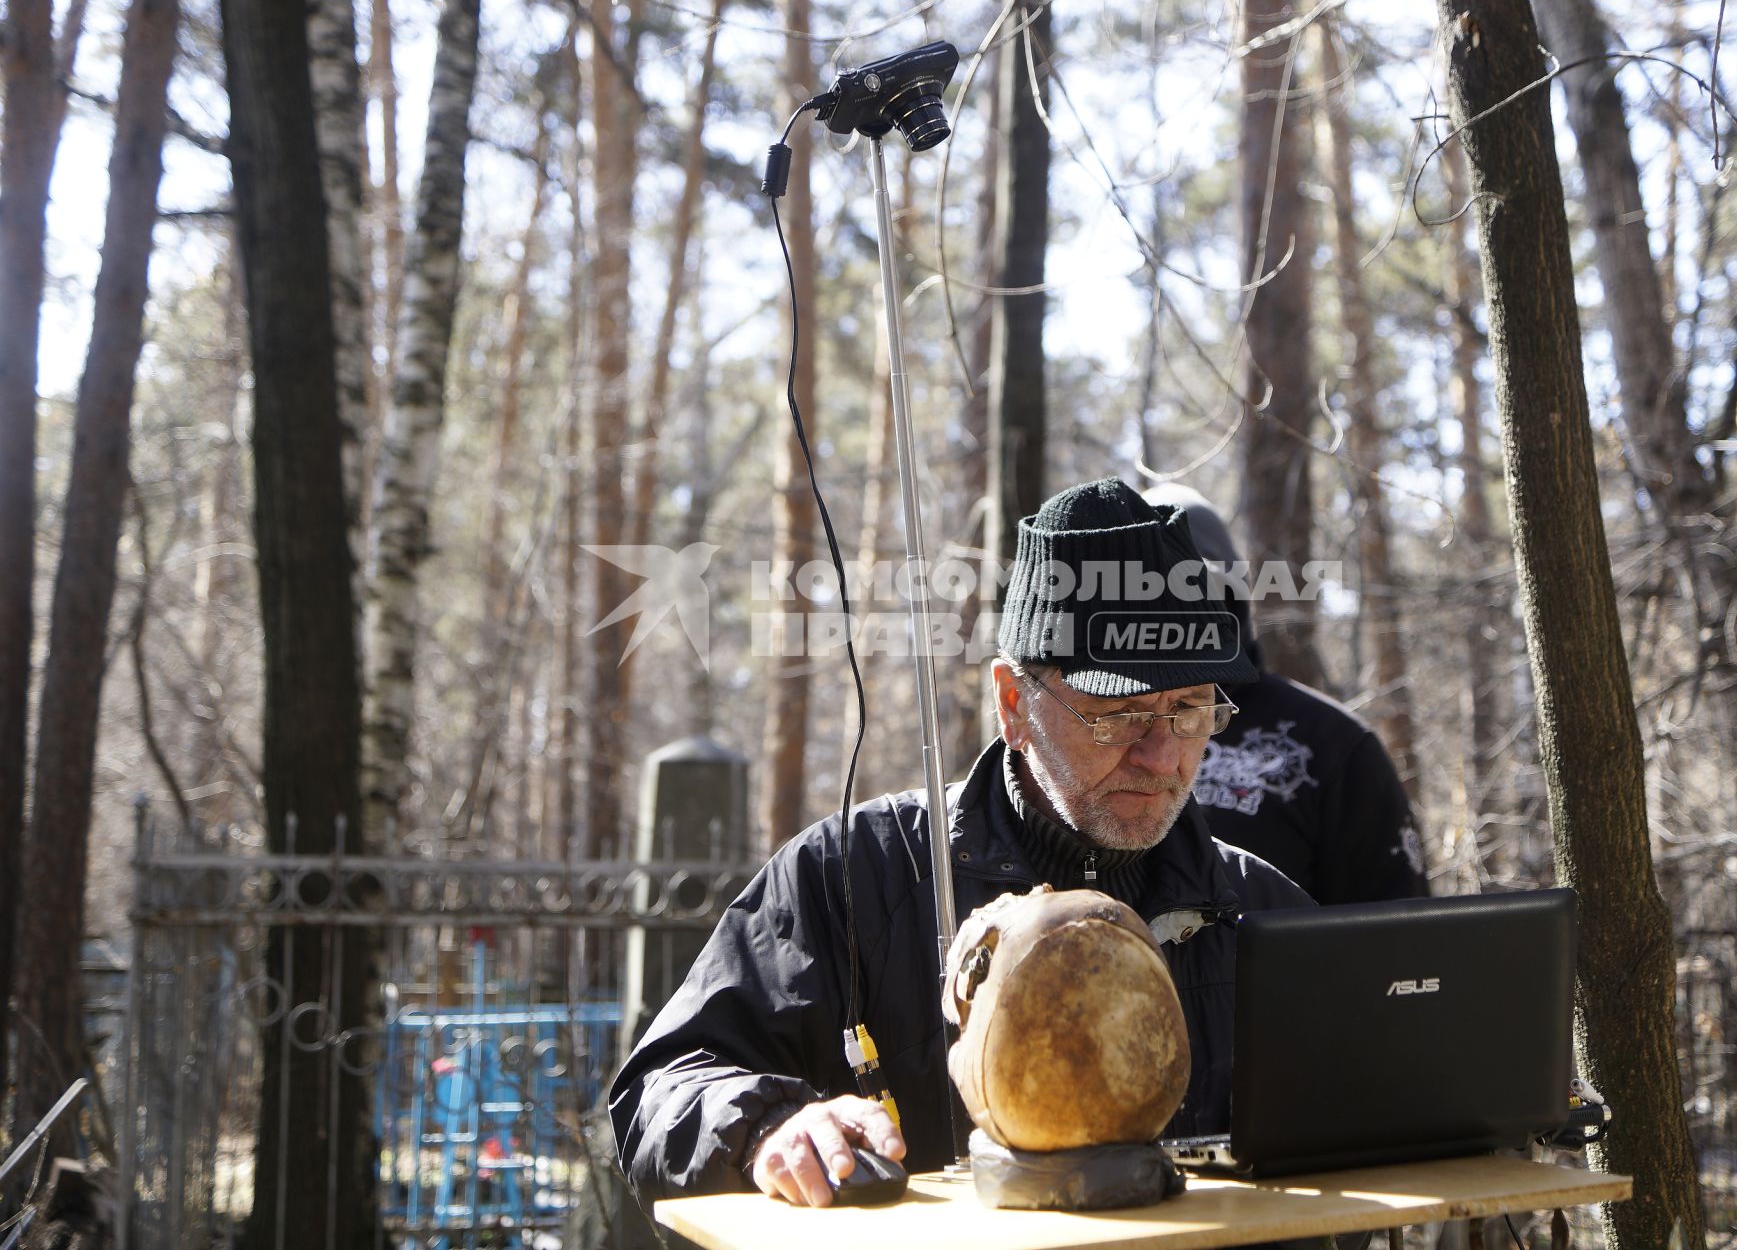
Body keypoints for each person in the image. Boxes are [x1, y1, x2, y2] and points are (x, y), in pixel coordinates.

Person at [609, 477, 1313, 1213]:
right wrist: (767, 1129)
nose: (1163, 757)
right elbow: (660, 1088)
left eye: (1190, 710)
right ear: (1015, 702)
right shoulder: (854, 877)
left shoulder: (1261, 912)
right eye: (1121, 714)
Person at [1142, 485, 1428, 905]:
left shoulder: (1332, 745)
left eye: (1190, 591)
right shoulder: (1082, 732)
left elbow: (1401, 939)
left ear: (1229, 601)